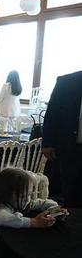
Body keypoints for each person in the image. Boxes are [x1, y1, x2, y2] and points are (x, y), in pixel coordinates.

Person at [42, 70, 82, 207]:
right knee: (70, 192)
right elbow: (51, 113)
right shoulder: (67, 82)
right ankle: (71, 217)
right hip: (71, 148)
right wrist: (47, 143)